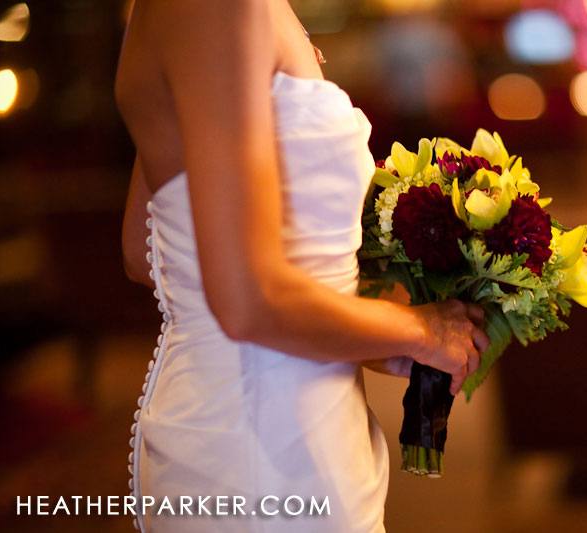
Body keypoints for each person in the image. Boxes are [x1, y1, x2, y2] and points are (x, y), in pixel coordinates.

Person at [114, 1, 488, 531]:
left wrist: (368, 333)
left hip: (296, 422)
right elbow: (248, 301)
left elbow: (149, 249)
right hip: (263, 447)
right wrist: (422, 330)